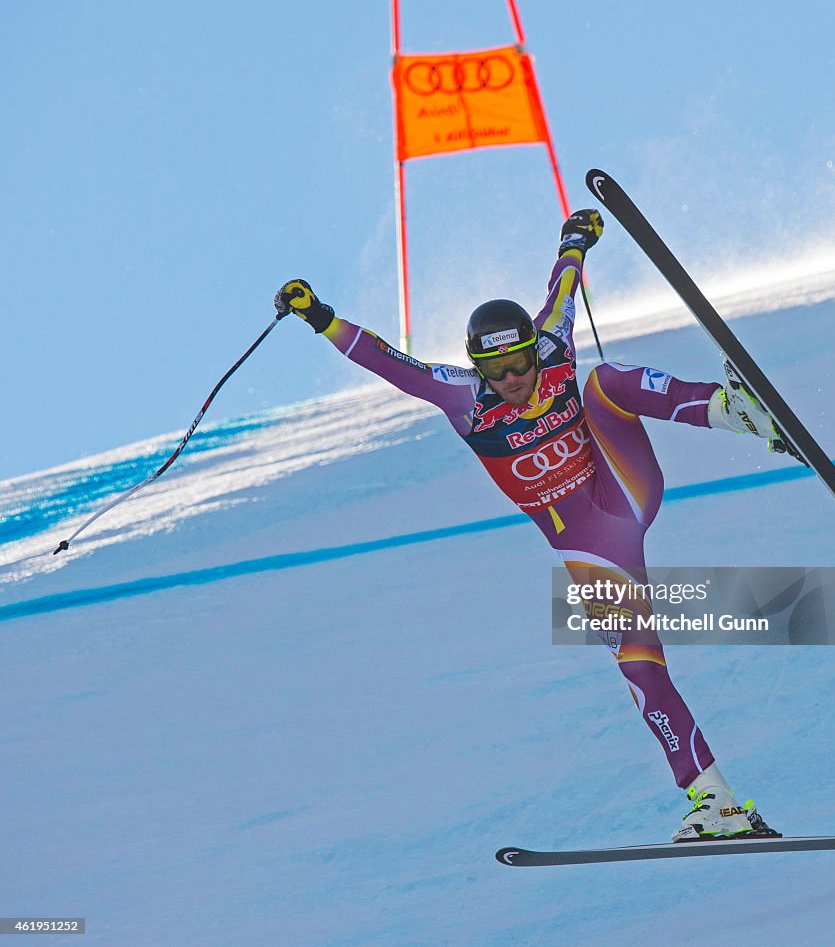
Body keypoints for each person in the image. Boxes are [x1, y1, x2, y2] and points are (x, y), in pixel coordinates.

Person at [275, 210, 783, 841]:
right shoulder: (462, 396)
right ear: (480, 368)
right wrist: (321, 316)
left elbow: (562, 289)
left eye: (520, 363)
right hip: (591, 547)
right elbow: (390, 362)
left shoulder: (553, 349)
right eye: (500, 371)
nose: (515, 379)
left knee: (602, 382)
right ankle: (717, 802)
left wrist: (574, 242)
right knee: (641, 668)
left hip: (621, 488)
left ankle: (733, 412)